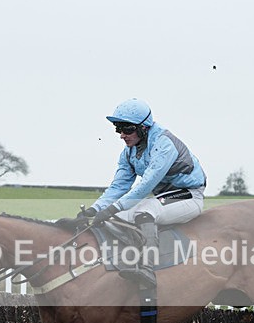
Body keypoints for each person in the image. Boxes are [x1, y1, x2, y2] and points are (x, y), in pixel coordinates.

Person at [79, 98, 207, 288]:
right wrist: (95, 209)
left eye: (127, 129)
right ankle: (130, 259)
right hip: (163, 198)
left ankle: (147, 267)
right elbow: (118, 187)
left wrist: (112, 208)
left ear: (143, 128)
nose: (122, 135)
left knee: (144, 210)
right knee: (117, 217)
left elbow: (145, 185)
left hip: (188, 195)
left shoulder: (164, 144)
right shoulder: (128, 153)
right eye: (118, 129)